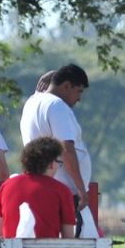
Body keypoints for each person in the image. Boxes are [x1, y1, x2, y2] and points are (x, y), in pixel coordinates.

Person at [20, 63, 93, 204]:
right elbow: (66, 149)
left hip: (43, 185)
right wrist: (80, 188)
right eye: (79, 91)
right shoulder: (57, 106)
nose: (79, 98)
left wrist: (53, 75)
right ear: (66, 86)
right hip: (63, 191)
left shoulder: (32, 102)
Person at [0, 137, 76, 242]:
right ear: (50, 164)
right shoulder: (62, 190)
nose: (58, 167)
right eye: (58, 162)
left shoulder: (7, 186)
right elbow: (68, 237)